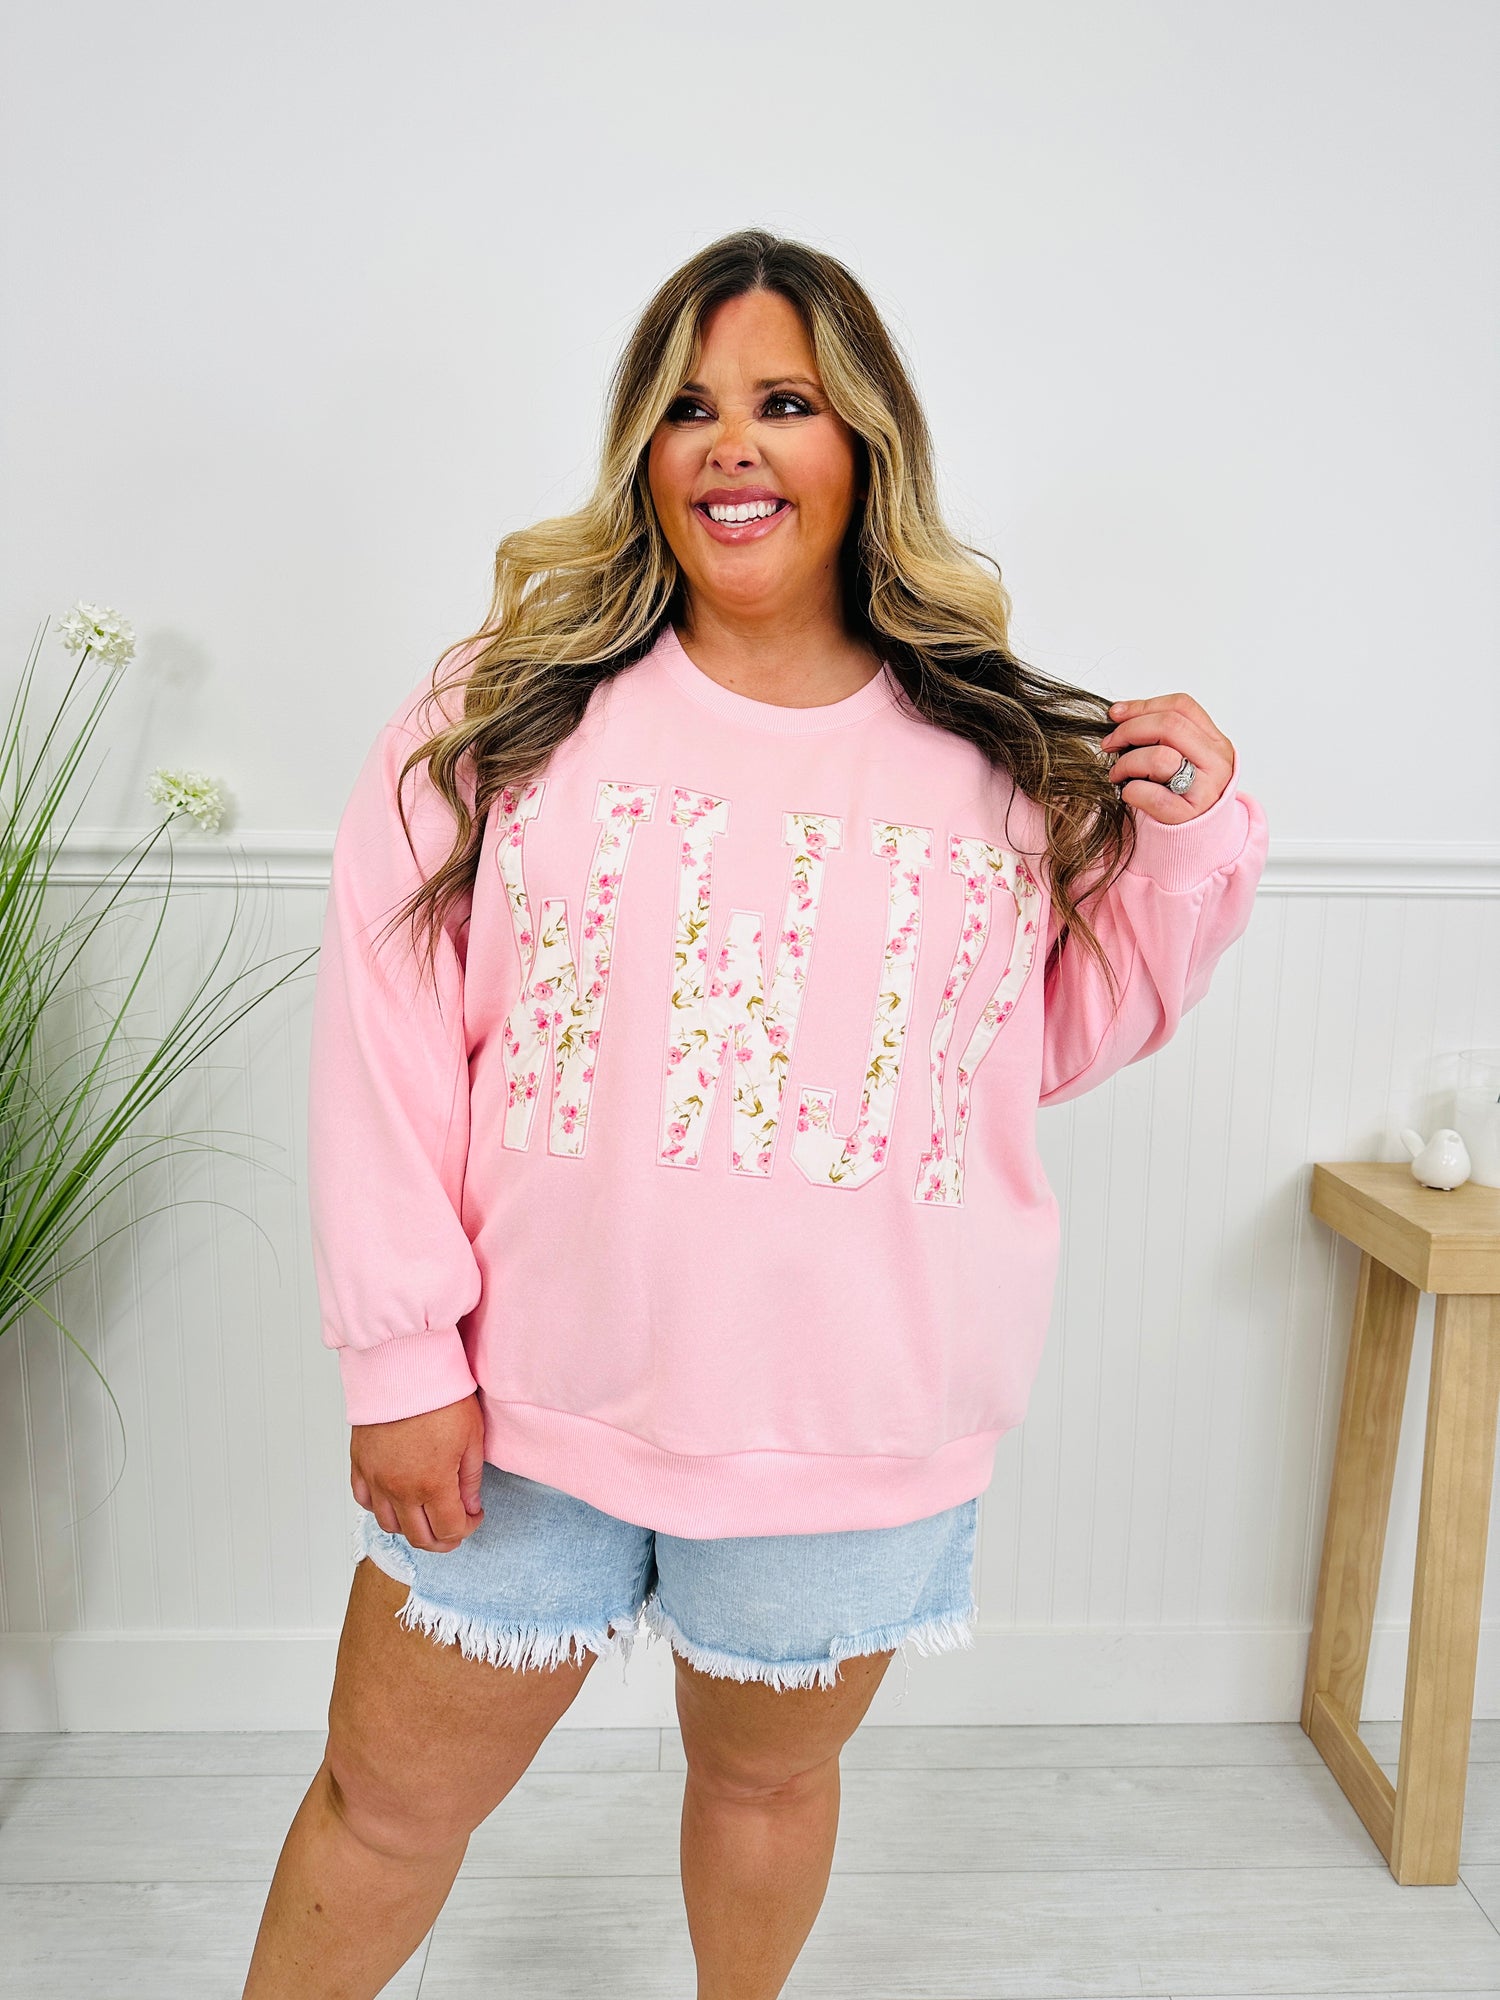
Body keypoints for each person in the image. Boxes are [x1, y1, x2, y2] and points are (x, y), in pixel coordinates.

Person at [243, 228, 1269, 1998]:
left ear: (864, 441)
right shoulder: (506, 711)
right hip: (515, 1409)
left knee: (767, 1784)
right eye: (688, 406)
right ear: (642, 449)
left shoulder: (994, 755)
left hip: (850, 1417)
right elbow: (385, 1028)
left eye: (784, 402)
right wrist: (400, 1359)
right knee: (385, 1802)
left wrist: (1179, 837)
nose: (733, 444)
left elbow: (1040, 1044)